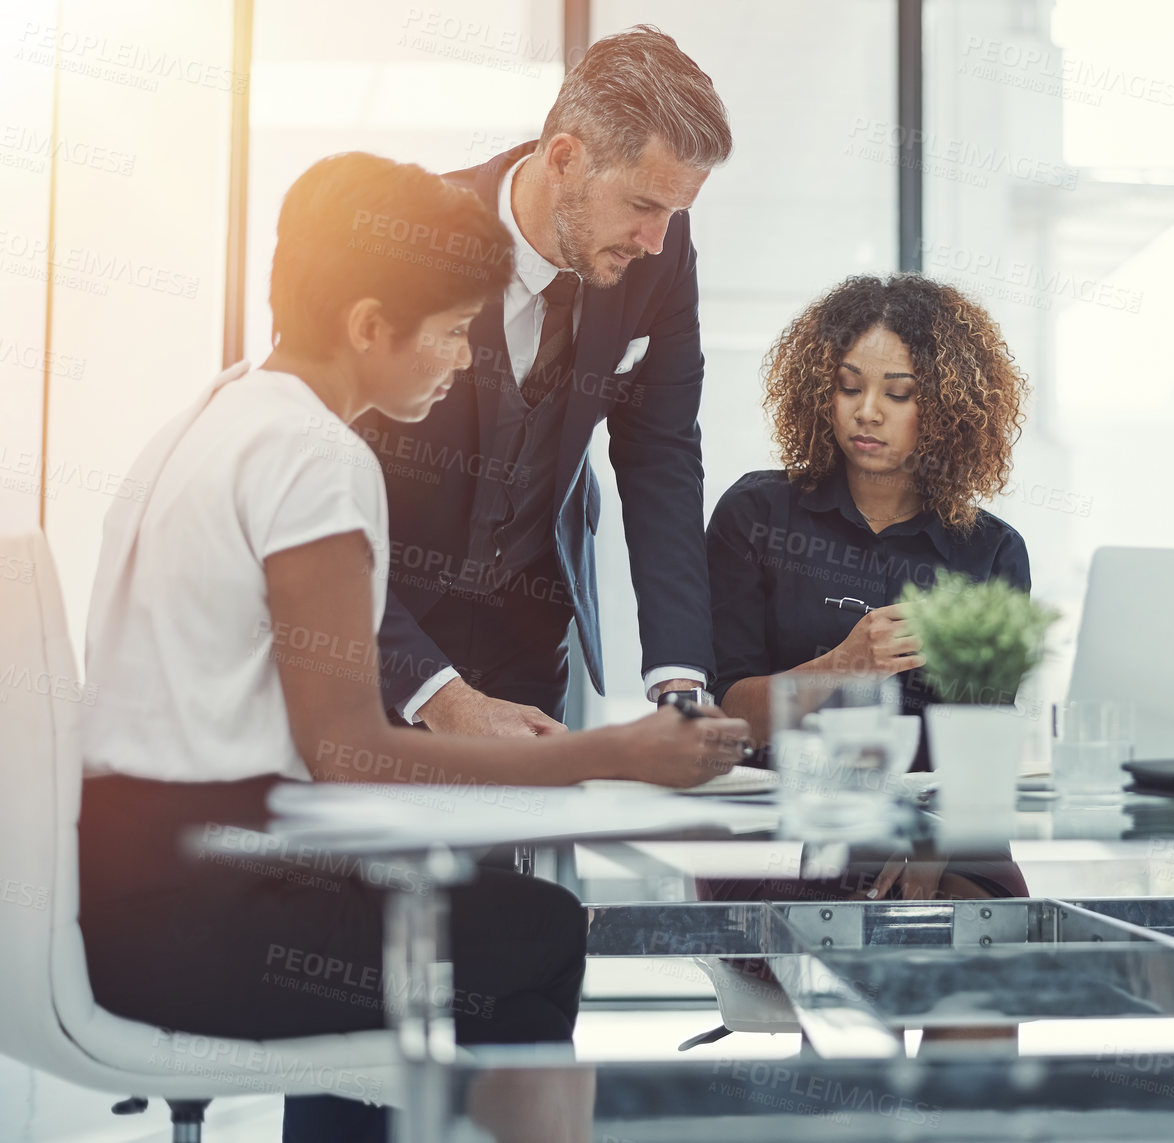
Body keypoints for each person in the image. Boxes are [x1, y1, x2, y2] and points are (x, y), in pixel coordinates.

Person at [78, 152, 747, 1143]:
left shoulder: (213, 416)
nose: (456, 359)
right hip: (200, 924)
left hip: (126, 895)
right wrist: (611, 752)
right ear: (365, 326)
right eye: (446, 334)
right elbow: (349, 753)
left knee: (463, 901)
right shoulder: (316, 459)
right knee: (536, 930)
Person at [355, 25, 733, 741]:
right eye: (645, 206)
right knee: (374, 851)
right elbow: (323, 487)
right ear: (564, 158)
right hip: (387, 629)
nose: (657, 240)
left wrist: (680, 681)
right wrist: (437, 692)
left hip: (528, 629)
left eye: (676, 214)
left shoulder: (660, 255)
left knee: (514, 850)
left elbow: (663, 457)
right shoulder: (409, 237)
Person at [704, 274, 1030, 905]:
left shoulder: (990, 551)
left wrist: (931, 851)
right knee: (834, 913)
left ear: (948, 406)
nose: (867, 411)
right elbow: (725, 721)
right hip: (778, 818)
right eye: (848, 386)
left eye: (899, 393)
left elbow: (984, 739)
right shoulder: (756, 513)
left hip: (937, 824)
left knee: (990, 923)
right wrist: (845, 665)